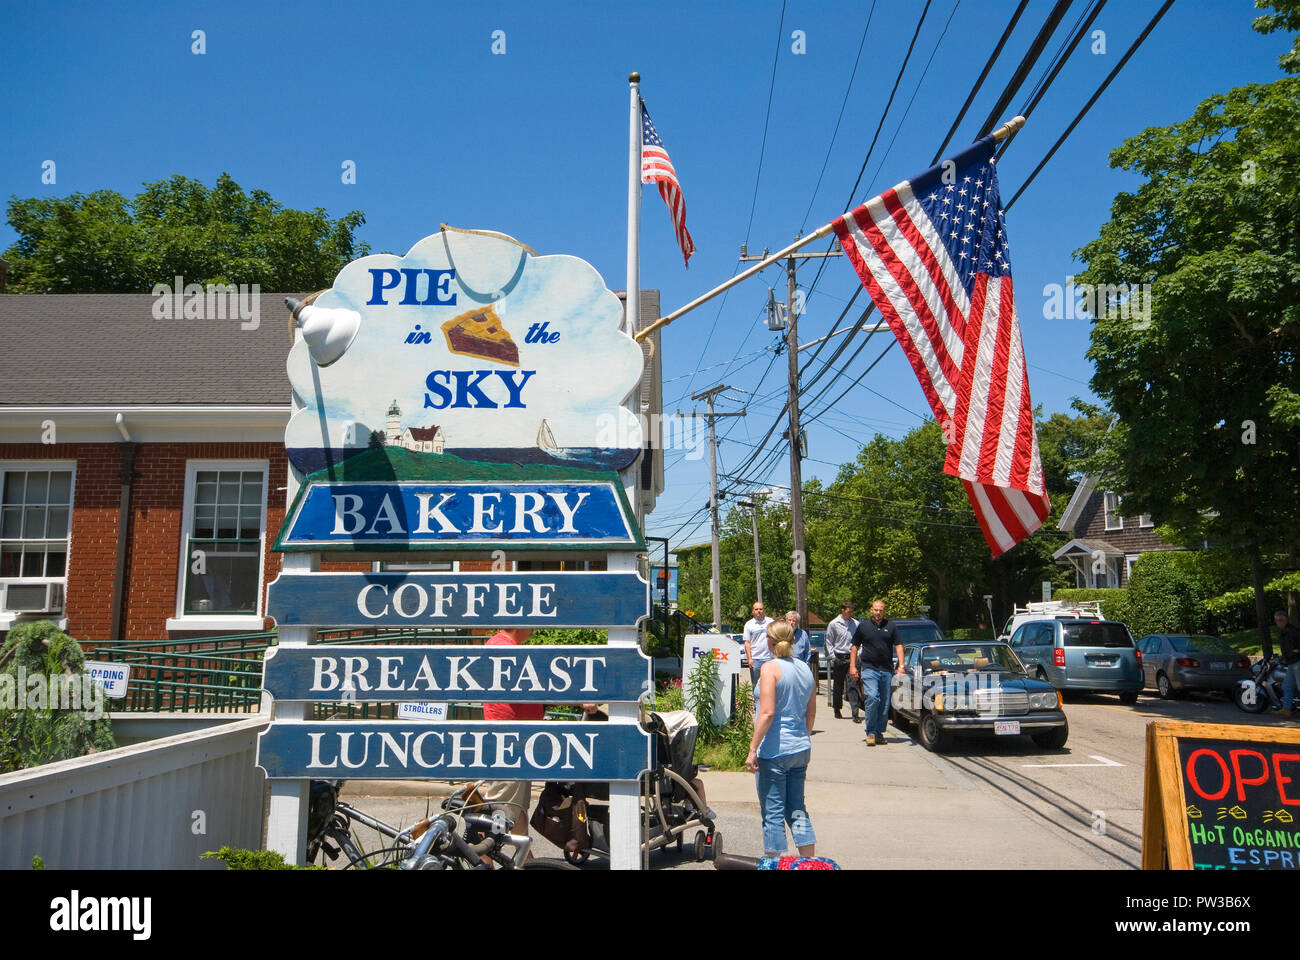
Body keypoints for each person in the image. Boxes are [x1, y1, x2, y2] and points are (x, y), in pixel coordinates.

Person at [479, 627, 600, 854]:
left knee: (516, 809)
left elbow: (530, 692)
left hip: (517, 741)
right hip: (509, 744)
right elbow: (542, 686)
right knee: (496, 814)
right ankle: (481, 863)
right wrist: (579, 700)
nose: (533, 627)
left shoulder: (505, 647)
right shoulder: (505, 649)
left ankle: (526, 862)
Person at [745, 620, 817, 858]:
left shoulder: (769, 668)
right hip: (800, 748)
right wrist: (802, 736)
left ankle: (774, 863)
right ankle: (808, 861)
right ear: (793, 640)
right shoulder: (805, 668)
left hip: (775, 750)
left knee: (773, 812)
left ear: (769, 641)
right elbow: (811, 712)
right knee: (797, 809)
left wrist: (753, 748)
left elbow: (766, 713)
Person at [848, 599, 904, 746]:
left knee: (884, 703)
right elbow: (854, 647)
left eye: (881, 610)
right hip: (869, 668)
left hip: (886, 670)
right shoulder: (863, 626)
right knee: (873, 697)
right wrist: (853, 666)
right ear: (871, 610)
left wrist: (901, 666)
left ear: (884, 611)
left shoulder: (891, 626)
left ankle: (879, 732)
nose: (878, 612)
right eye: (876, 610)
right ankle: (871, 732)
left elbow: (898, 646)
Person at [824, 601, 857, 719]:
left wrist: (859, 654)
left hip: (852, 657)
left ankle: (855, 712)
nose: (850, 614)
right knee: (838, 685)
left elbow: (859, 641)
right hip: (839, 656)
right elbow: (829, 641)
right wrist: (833, 656)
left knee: (853, 684)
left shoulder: (855, 624)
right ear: (843, 610)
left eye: (852, 611)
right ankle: (837, 708)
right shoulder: (834, 623)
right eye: (848, 611)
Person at [742, 600, 775, 687]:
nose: (759, 611)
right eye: (756, 609)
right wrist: (750, 658)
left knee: (771, 684)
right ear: (753, 611)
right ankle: (757, 701)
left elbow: (776, 638)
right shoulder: (749, 624)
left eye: (761, 609)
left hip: (770, 658)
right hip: (756, 659)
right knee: (756, 685)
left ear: (764, 610)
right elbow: (747, 643)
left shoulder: (770, 622)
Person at [1277, 611, 1300, 718]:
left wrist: (1295, 652)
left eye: (1281, 620)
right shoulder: (1284, 631)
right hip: (1292, 663)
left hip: (1297, 662)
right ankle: (1286, 710)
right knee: (1287, 686)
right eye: (1277, 620)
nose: (1279, 622)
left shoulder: (1292, 630)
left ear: (1286, 619)